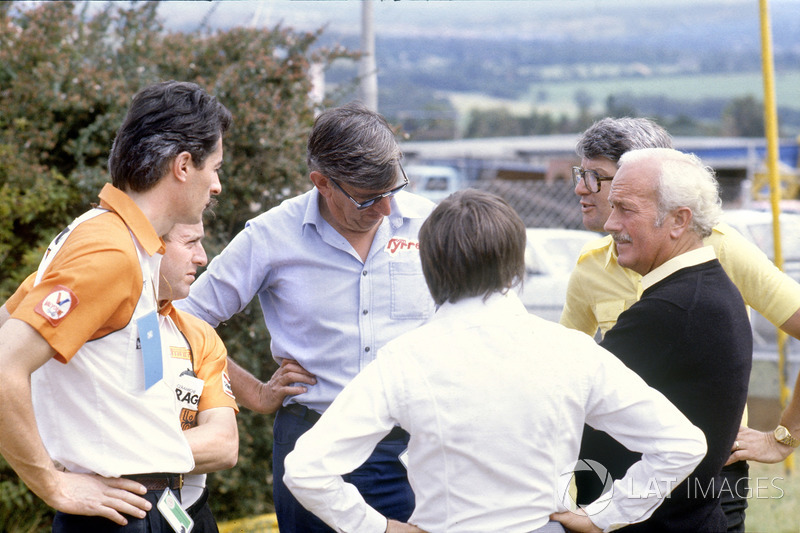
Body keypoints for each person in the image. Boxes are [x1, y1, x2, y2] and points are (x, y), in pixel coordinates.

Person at [282, 189, 707, 533]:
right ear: (516, 264)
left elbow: (305, 470)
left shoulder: (405, 359)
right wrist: (604, 516)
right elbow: (682, 444)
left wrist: (378, 528)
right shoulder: (572, 351)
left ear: (429, 265)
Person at [176, 102, 436, 532]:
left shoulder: (431, 224)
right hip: (312, 445)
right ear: (322, 183)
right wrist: (254, 393)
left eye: (393, 191)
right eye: (368, 198)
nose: (386, 210)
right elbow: (185, 317)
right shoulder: (270, 235)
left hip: (413, 448)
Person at [0, 80, 232, 531]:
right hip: (122, 510)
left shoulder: (103, 235)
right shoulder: (110, 250)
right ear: (183, 165)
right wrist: (51, 483)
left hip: (139, 504)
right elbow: (3, 363)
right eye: (216, 168)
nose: (217, 185)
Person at [560, 116, 800, 531]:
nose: (581, 188)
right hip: (614, 472)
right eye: (581, 174)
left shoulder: (715, 246)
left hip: (705, 476)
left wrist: (783, 438)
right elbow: (564, 375)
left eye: (598, 177)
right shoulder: (589, 267)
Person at [2, 222, 239, 531]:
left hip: (189, 514)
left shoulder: (198, 335)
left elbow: (223, 444)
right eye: (191, 242)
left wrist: (96, 451)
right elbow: (6, 360)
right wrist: (52, 474)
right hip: (104, 514)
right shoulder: (75, 280)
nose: (202, 257)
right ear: (155, 245)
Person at [578, 148, 752, 531]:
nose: (610, 223)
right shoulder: (700, 291)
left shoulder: (676, 307)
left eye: (625, 209)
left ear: (678, 220)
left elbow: (569, 400)